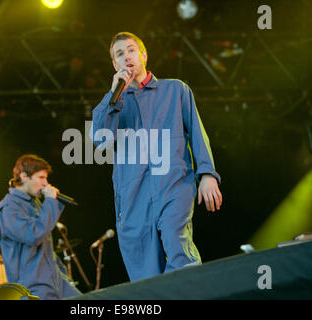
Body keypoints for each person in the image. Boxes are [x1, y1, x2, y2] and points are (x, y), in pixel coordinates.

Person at [91, 32, 223, 282]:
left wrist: (207, 173)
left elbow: (197, 132)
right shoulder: (111, 103)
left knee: (178, 247)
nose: (126, 56)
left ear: (143, 55)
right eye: (119, 54)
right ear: (114, 65)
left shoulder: (175, 90)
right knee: (146, 275)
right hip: (133, 197)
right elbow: (100, 139)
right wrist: (113, 97)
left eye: (130, 50)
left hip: (174, 185)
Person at [0, 154, 81, 299]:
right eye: (41, 178)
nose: (46, 184)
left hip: (56, 284)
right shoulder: (9, 207)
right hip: (33, 290)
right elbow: (34, 235)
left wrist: (62, 276)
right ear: (23, 177)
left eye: (46, 178)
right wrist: (50, 201)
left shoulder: (34, 203)